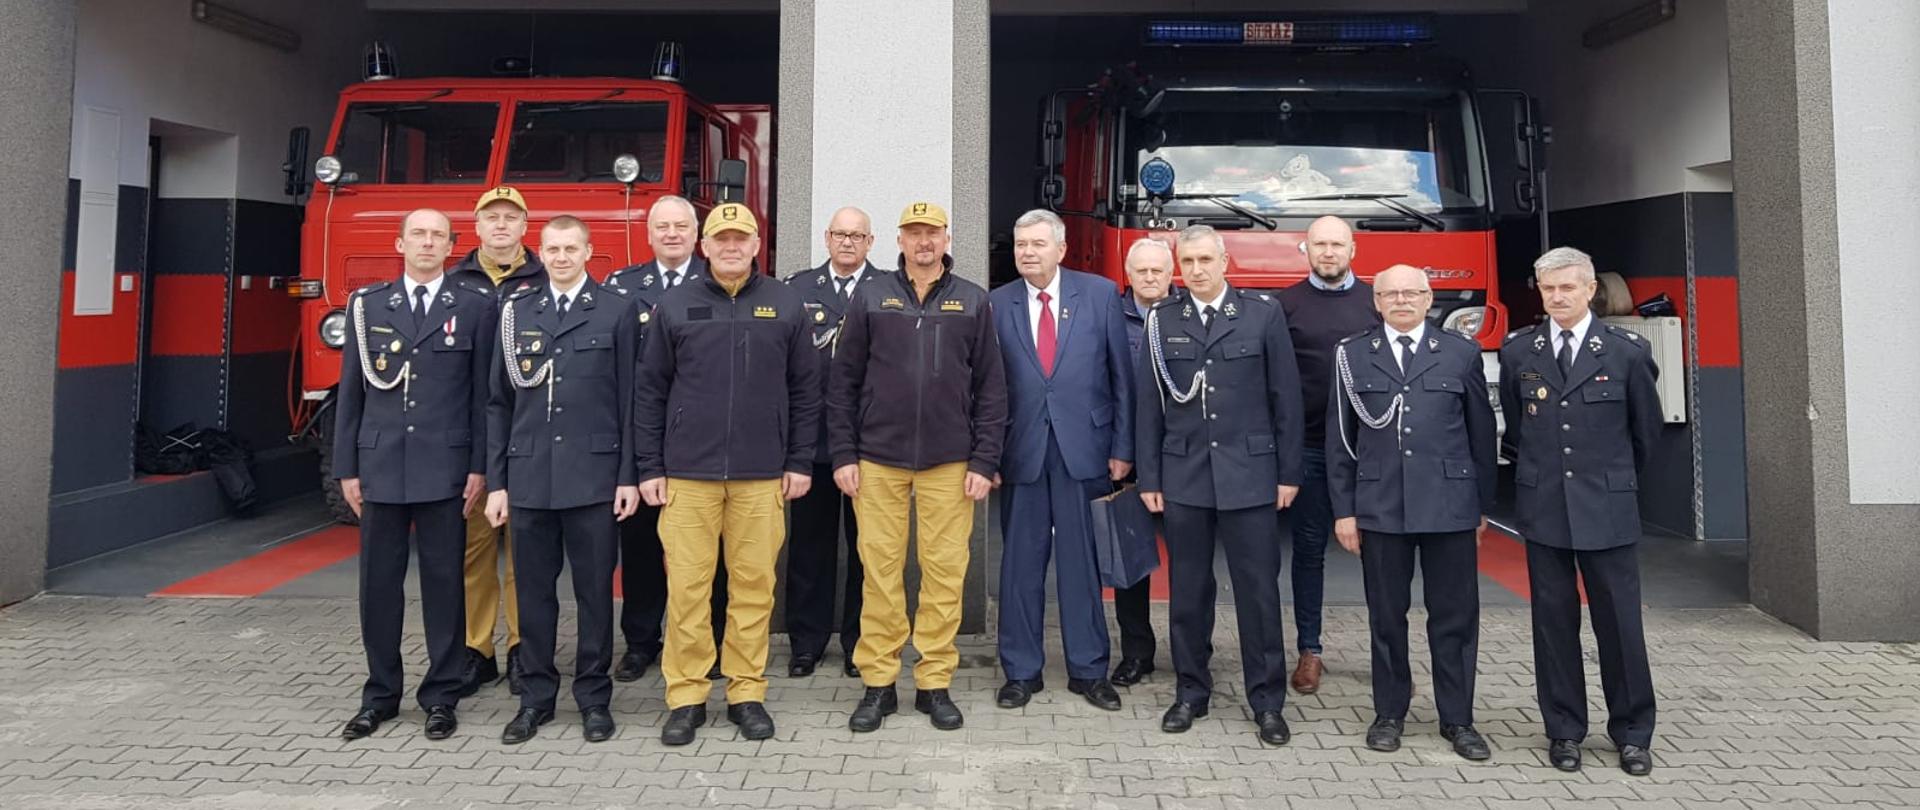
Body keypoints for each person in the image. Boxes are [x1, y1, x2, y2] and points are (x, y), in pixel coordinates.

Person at [635, 203, 819, 746]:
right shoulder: (674, 305)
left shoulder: (785, 304)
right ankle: (687, 694)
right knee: (688, 589)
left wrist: (799, 461)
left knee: (753, 587)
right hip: (687, 475)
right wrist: (651, 466)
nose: (732, 247)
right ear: (705, 246)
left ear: (757, 244)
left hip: (762, 475)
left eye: (741, 238)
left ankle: (746, 691)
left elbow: (807, 392)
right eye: (722, 239)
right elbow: (650, 393)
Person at [829, 201, 1007, 733]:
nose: (923, 242)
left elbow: (992, 390)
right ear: (899, 240)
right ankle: (879, 684)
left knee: (945, 574)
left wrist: (984, 458)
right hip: (878, 461)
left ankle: (934, 683)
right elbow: (843, 383)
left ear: (946, 237)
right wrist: (843, 454)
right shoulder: (870, 295)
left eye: (932, 232)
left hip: (950, 463)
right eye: (913, 233)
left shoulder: (973, 300)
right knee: (880, 575)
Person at [1135, 224, 1304, 746]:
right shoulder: (1162, 321)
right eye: (1188, 262)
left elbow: (1287, 399)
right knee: (1188, 591)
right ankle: (1191, 691)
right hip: (1184, 475)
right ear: (1178, 268)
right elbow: (1149, 406)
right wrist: (1150, 475)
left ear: (1225, 260)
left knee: (1257, 592)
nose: (1198, 269)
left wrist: (1288, 472)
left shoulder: (1261, 314)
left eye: (1206, 259)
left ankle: (1267, 701)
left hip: (1251, 476)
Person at [1499, 247, 1662, 776]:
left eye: (1568, 287)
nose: (1558, 297)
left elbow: (1645, 435)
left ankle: (1633, 733)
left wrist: (1610, 480)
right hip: (1545, 505)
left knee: (1618, 625)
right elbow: (1520, 434)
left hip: (1607, 507)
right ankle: (1564, 730)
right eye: (1548, 289)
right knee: (1553, 624)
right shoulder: (1520, 350)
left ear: (1590, 288)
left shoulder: (1625, 352)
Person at [333, 209, 495, 741]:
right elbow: (351, 394)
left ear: (452, 246)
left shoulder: (474, 306)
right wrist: (347, 468)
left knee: (444, 584)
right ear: (399, 243)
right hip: (379, 464)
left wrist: (479, 466)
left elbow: (481, 397)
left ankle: (442, 695)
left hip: (445, 467)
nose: (427, 243)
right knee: (378, 585)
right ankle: (380, 694)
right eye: (418, 235)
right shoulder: (368, 305)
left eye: (438, 236)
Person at [1326, 264, 1496, 760]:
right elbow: (1339, 440)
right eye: (1390, 294)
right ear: (1376, 302)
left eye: (1411, 293)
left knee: (1455, 617)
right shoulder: (1353, 355)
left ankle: (1458, 719)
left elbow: (1482, 437)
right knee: (1386, 615)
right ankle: (1390, 712)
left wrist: (1481, 506)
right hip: (1380, 506)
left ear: (1428, 299)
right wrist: (1344, 510)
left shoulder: (1461, 353)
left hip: (1449, 506)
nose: (1401, 301)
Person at [484, 216, 641, 745]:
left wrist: (628, 477)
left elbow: (628, 402)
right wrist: (498, 483)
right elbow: (498, 404)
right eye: (552, 248)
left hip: (594, 478)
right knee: (533, 595)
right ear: (541, 252)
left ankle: (594, 698)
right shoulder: (516, 313)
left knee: (595, 594)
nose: (561, 257)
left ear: (589, 252)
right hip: (529, 477)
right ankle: (535, 698)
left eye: (571, 248)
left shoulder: (617, 311)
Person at [989, 209, 1132, 712]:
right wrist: (988, 456)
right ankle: (1020, 672)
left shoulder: (1098, 295)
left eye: (1037, 244)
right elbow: (986, 388)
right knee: (1020, 567)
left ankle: (1089, 669)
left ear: (1061, 249)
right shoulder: (996, 303)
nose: (1027, 252)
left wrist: (1123, 448)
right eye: (1020, 244)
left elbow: (1121, 379)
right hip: (1020, 452)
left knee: (1082, 564)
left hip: (1085, 450)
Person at [603, 195, 726, 683]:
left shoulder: (718, 282)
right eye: (663, 227)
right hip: (643, 432)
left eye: (681, 226)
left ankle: (708, 641)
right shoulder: (623, 287)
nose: (672, 234)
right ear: (648, 233)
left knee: (708, 553)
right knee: (640, 547)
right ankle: (640, 641)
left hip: (702, 437)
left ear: (696, 235)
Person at [444, 186, 547, 696]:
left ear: (526, 226)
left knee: (526, 551)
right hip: (470, 443)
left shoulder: (544, 279)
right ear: (476, 226)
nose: (501, 226)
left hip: (526, 438)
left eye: (511, 217)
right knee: (473, 551)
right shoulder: (453, 286)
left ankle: (522, 648)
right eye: (492, 218)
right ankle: (475, 649)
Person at [1273, 215, 1379, 695]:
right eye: (1320, 244)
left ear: (1353, 249)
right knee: (1309, 551)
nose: (1329, 252)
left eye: (1338, 244)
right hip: (1312, 448)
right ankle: (1309, 649)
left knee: (1383, 558)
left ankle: (1388, 654)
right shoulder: (1285, 305)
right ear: (1306, 249)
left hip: (1373, 451)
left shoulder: (1377, 300)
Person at [781, 206, 886, 678]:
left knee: (869, 549)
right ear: (826, 238)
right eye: (840, 234)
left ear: (870, 242)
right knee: (810, 547)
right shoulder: (797, 289)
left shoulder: (886, 288)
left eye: (856, 235)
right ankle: (806, 642)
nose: (847, 242)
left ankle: (858, 642)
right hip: (814, 444)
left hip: (871, 444)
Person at [1109, 237, 1180, 687]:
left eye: (1158, 271)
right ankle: (1137, 651)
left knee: (1190, 564)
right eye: (1142, 272)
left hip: (1183, 458)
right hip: (1126, 457)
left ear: (1171, 273)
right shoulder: (1108, 317)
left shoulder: (1190, 316)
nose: (1150, 278)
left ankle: (1193, 651)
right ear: (1128, 274)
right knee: (1129, 563)